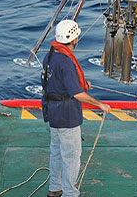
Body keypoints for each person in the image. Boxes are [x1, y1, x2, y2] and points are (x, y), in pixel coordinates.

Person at [41, 20, 111, 197]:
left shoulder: (49, 56)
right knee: (71, 157)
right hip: (67, 116)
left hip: (53, 113)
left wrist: (81, 83)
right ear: (74, 40)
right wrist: (100, 104)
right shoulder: (66, 62)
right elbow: (77, 94)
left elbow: (56, 81)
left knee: (56, 152)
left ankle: (54, 188)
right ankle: (70, 193)